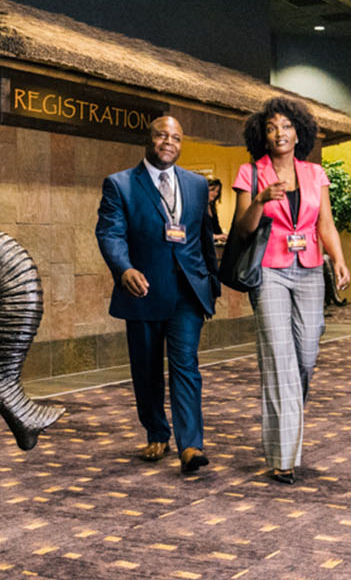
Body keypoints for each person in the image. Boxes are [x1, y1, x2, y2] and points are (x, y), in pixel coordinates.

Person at [230, 97, 349, 485]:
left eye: (285, 126)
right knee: (280, 358)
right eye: (271, 128)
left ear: (299, 132)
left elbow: (325, 224)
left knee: (306, 354)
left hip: (310, 269)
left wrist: (339, 259)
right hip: (269, 271)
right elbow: (243, 229)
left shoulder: (315, 174)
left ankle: (286, 425)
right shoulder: (251, 173)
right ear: (262, 137)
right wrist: (261, 201)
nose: (279, 134)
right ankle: (284, 458)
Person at [96, 116, 219, 473]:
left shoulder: (197, 185)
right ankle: (157, 431)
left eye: (176, 137)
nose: (169, 142)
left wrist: (211, 282)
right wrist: (124, 269)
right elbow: (110, 233)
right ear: (149, 140)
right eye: (162, 135)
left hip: (187, 292)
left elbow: (203, 236)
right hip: (144, 289)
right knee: (147, 369)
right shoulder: (120, 185)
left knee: (186, 366)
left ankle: (191, 445)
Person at [206, 176, 227, 246]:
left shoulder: (212, 208)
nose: (215, 194)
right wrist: (217, 237)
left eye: (217, 191)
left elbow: (217, 229)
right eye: (212, 190)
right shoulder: (197, 208)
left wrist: (223, 236)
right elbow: (196, 233)